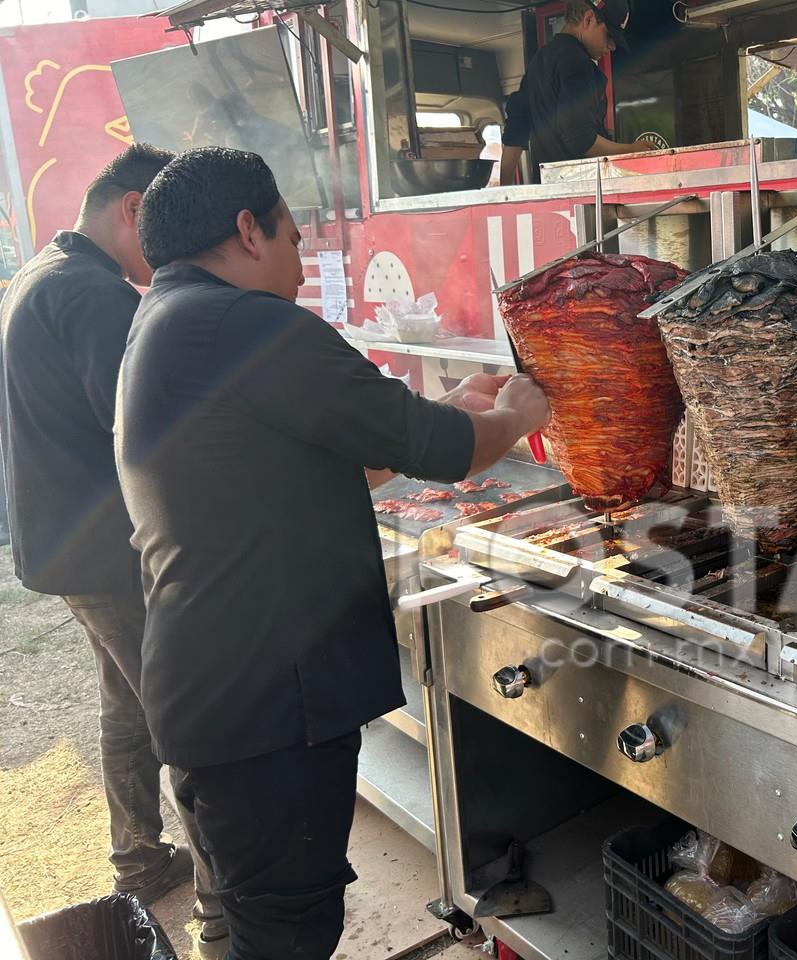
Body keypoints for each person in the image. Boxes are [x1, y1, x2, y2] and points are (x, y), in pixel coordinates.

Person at [117, 146, 549, 960]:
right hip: (263, 718)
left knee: (263, 923)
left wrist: (450, 408)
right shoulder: (244, 325)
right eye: (290, 234)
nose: (302, 255)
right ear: (248, 230)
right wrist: (517, 412)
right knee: (285, 936)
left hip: (213, 699)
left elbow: (333, 449)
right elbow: (445, 451)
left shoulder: (170, 318)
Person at [0, 145, 229, 957]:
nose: (164, 255)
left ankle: (139, 859)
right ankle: (219, 905)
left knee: (127, 707)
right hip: (108, 551)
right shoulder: (91, 296)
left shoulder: (43, 272)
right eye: (158, 229)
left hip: (65, 546)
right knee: (186, 720)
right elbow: (143, 429)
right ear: (132, 207)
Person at [500, 0, 649, 185]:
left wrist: (504, 190)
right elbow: (580, 139)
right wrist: (631, 150)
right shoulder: (578, 62)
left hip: (548, 193)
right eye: (609, 35)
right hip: (580, 193)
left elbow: (516, 130)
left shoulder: (539, 61)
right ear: (588, 19)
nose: (612, 46)